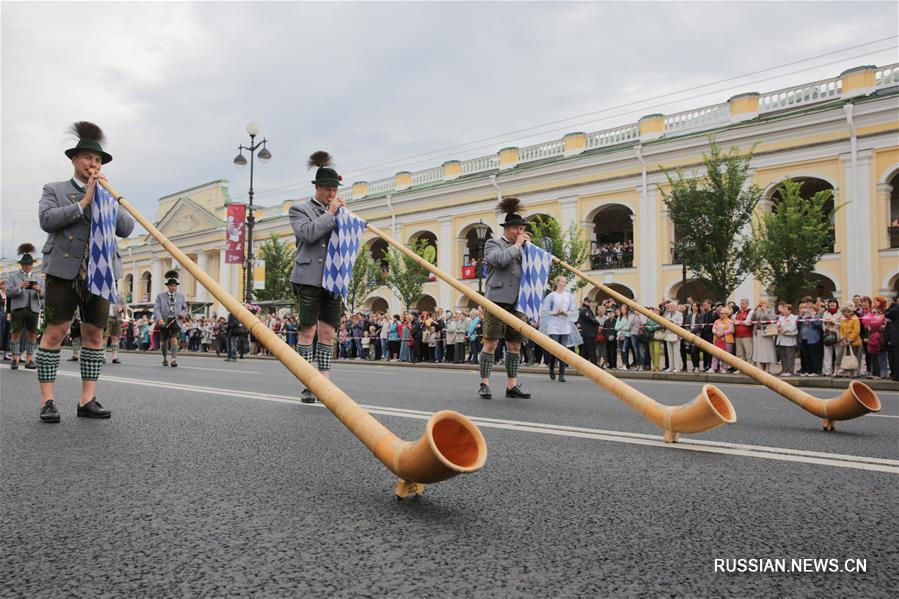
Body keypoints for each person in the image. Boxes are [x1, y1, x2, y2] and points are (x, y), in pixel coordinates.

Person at [33, 121, 134, 422]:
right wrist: (85, 201)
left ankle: (87, 399)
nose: (93, 164)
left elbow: (126, 229)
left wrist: (108, 198)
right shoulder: (55, 190)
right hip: (64, 271)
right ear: (74, 160)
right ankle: (47, 401)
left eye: (98, 160)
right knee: (55, 332)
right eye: (88, 158)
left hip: (99, 273)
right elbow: (46, 220)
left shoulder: (109, 192)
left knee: (94, 334)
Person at [289, 151, 345, 403]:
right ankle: (306, 382)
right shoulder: (299, 209)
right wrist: (331, 214)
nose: (332, 194)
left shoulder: (340, 211)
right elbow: (309, 234)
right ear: (318, 187)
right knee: (308, 331)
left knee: (328, 334)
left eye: (335, 190)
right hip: (308, 276)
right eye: (328, 190)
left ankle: (324, 382)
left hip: (333, 279)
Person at [477, 197, 531, 400]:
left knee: (515, 345)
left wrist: (529, 251)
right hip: (496, 300)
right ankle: (484, 384)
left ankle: (512, 385)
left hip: (518, 301)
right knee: (490, 343)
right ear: (507, 228)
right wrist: (517, 246)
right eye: (516, 228)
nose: (519, 231)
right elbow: (498, 261)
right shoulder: (493, 244)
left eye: (521, 228)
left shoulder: (524, 247)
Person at [7, 244, 43, 370]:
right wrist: (20, 287)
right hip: (18, 309)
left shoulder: (38, 278)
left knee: (32, 335)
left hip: (33, 309)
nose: (28, 267)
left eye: (30, 264)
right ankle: (15, 359)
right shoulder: (13, 276)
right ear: (21, 265)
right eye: (25, 265)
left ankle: (29, 359)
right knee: (16, 333)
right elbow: (8, 292)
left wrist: (39, 290)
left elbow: (44, 295)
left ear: (32, 265)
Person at [541, 275, 577, 382]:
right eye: (562, 281)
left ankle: (562, 374)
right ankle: (551, 367)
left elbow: (574, 310)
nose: (564, 283)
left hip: (565, 325)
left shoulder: (569, 296)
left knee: (563, 350)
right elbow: (545, 311)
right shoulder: (551, 296)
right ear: (557, 283)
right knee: (555, 350)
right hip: (554, 325)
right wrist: (554, 313)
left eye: (565, 281)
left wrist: (566, 313)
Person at [152, 270, 188, 367]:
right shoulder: (160, 296)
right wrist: (159, 319)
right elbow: (156, 308)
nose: (173, 287)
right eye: (172, 285)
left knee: (174, 339)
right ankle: (164, 358)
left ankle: (173, 359)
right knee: (164, 340)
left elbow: (185, 308)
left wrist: (183, 313)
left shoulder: (181, 296)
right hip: (164, 320)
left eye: (175, 286)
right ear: (168, 286)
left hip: (176, 320)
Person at [836, 304, 863, 378]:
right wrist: (842, 338)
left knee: (855, 358)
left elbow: (856, 331)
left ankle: (856, 373)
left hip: (855, 342)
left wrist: (849, 340)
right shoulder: (843, 319)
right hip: (844, 342)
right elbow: (841, 330)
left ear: (848, 311)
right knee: (843, 357)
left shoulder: (855, 319)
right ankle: (845, 372)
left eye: (844, 312)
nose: (843, 314)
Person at [821, 299, 843, 376]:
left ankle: (839, 371)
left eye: (833, 303)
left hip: (837, 335)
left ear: (836, 304)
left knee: (838, 354)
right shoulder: (825, 313)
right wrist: (826, 328)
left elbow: (842, 324)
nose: (832, 305)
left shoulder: (840, 313)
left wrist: (834, 323)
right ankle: (827, 371)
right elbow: (823, 323)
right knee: (827, 354)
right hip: (828, 335)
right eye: (830, 304)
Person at [776, 303, 799, 376]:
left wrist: (785, 330)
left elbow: (793, 327)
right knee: (783, 356)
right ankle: (784, 370)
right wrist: (779, 328)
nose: (784, 311)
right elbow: (778, 324)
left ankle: (790, 371)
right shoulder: (781, 318)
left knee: (790, 356)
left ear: (790, 311)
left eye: (785, 309)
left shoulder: (794, 318)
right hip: (781, 339)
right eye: (783, 309)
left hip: (789, 340)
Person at [577, 297, 600, 365]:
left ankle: (584, 365)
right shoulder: (585, 310)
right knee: (591, 350)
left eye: (590, 302)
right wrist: (598, 323)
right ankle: (594, 364)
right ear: (584, 302)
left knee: (586, 351)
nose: (589, 303)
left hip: (587, 333)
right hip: (589, 333)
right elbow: (591, 319)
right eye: (588, 302)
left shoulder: (585, 309)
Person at [663, 301, 684, 372]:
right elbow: (664, 322)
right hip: (668, 334)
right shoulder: (667, 314)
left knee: (676, 352)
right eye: (670, 306)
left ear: (676, 307)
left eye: (673, 306)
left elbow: (680, 323)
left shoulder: (679, 314)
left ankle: (677, 367)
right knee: (670, 352)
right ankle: (670, 367)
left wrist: (672, 321)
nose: (671, 308)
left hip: (676, 335)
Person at [732, 298, 754, 364]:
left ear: (747, 304)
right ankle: (741, 368)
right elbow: (733, 320)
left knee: (748, 353)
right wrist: (739, 322)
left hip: (747, 336)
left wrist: (739, 322)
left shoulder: (750, 312)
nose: (741, 305)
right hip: (738, 335)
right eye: (741, 303)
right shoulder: (737, 312)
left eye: (743, 303)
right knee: (739, 353)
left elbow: (749, 322)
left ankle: (750, 368)